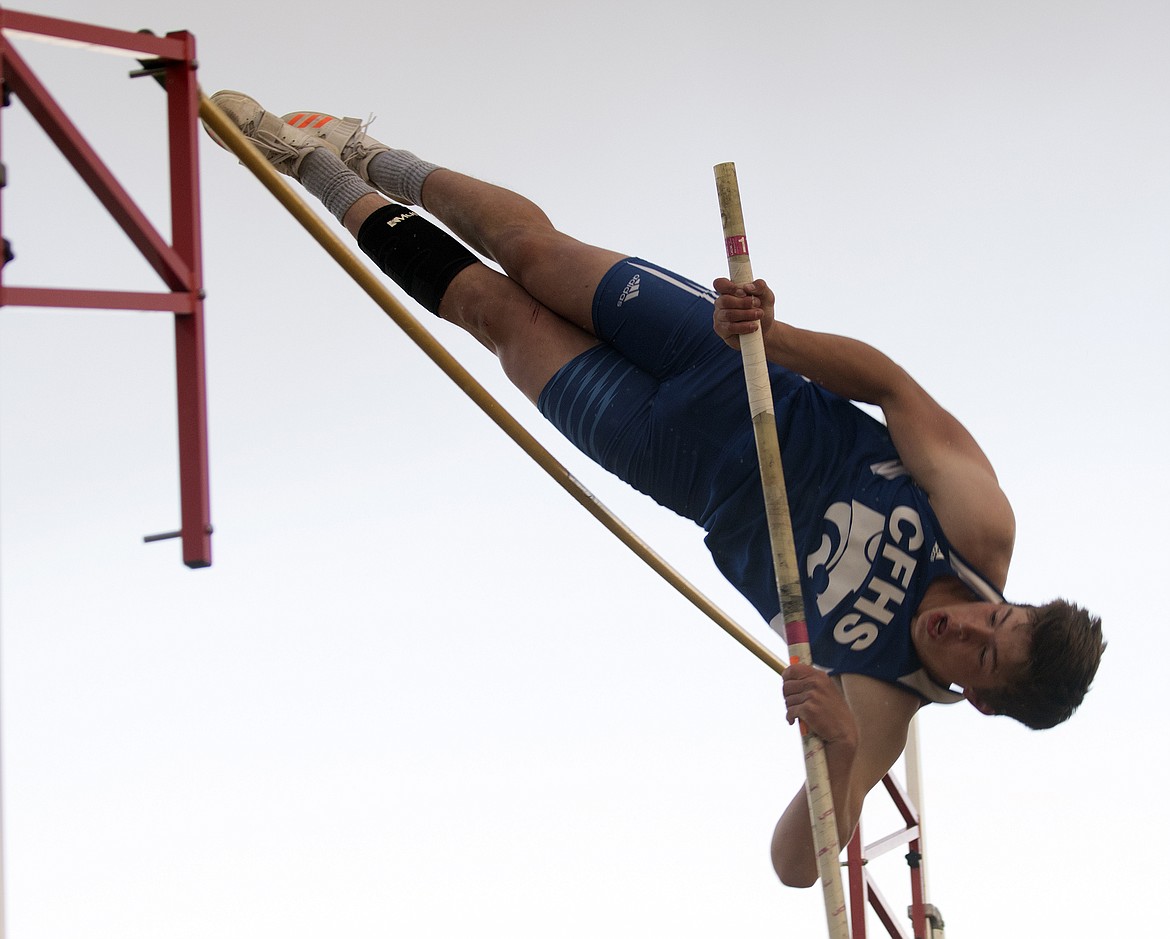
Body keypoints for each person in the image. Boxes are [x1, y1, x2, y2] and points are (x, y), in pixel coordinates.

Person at [206, 90, 1105, 888]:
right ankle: (378, 157)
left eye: (984, 654)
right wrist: (772, 335)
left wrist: (833, 746)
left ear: (978, 700)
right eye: (1003, 618)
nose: (971, 626)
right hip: (730, 367)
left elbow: (795, 867)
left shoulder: (880, 705)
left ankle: (316, 172)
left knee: (496, 314)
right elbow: (891, 384)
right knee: (532, 251)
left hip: (668, 459)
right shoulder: (979, 527)